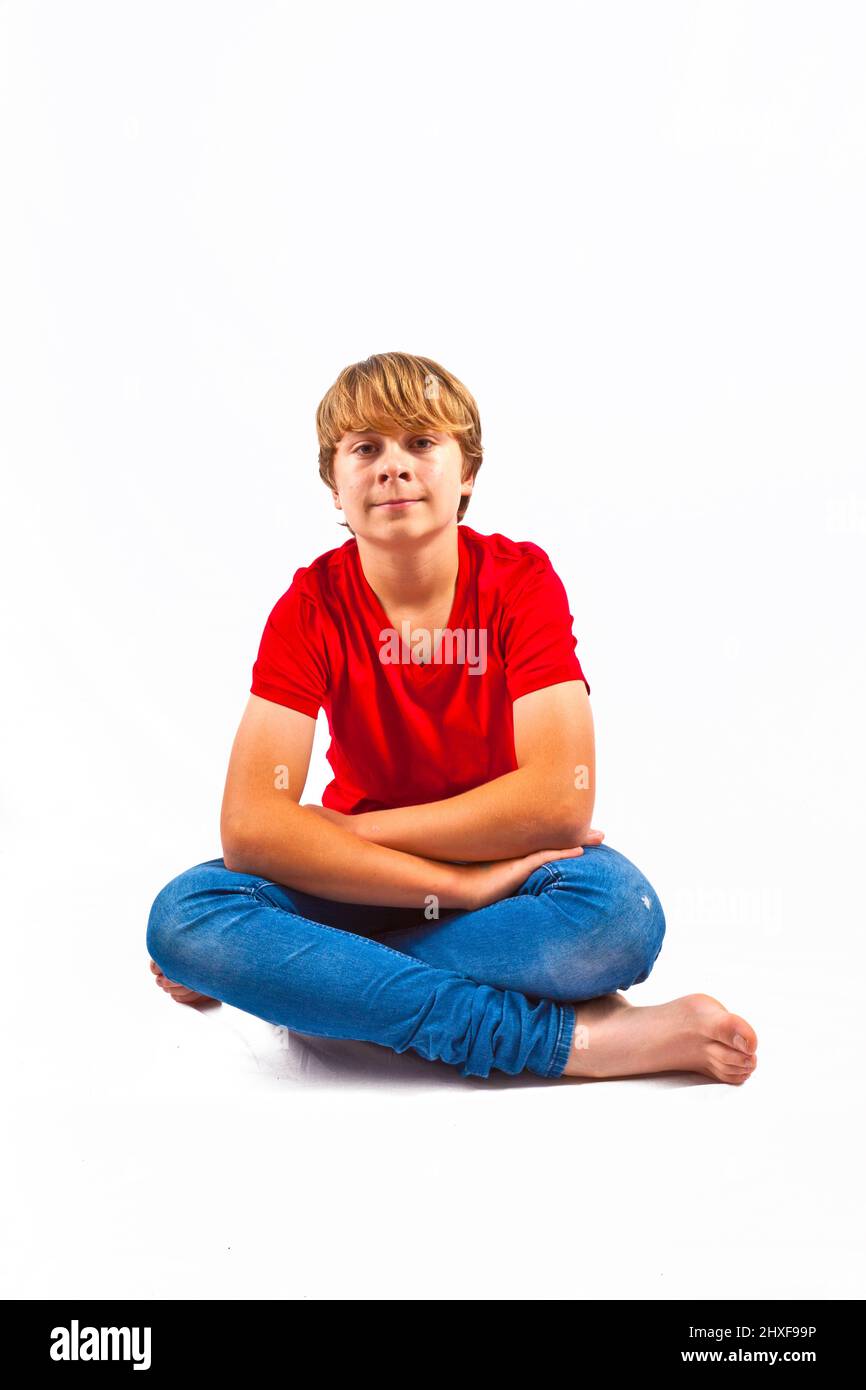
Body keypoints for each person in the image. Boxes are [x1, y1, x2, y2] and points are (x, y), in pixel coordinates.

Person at [147, 351, 758, 1084]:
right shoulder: (310, 606)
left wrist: (321, 870)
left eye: (421, 443)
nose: (393, 466)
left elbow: (559, 803)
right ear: (334, 485)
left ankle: (313, 986)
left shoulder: (520, 582)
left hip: (508, 869)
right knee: (187, 916)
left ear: (466, 472)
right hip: (358, 884)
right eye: (365, 448)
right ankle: (580, 1045)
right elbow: (249, 829)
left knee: (617, 912)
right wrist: (457, 889)